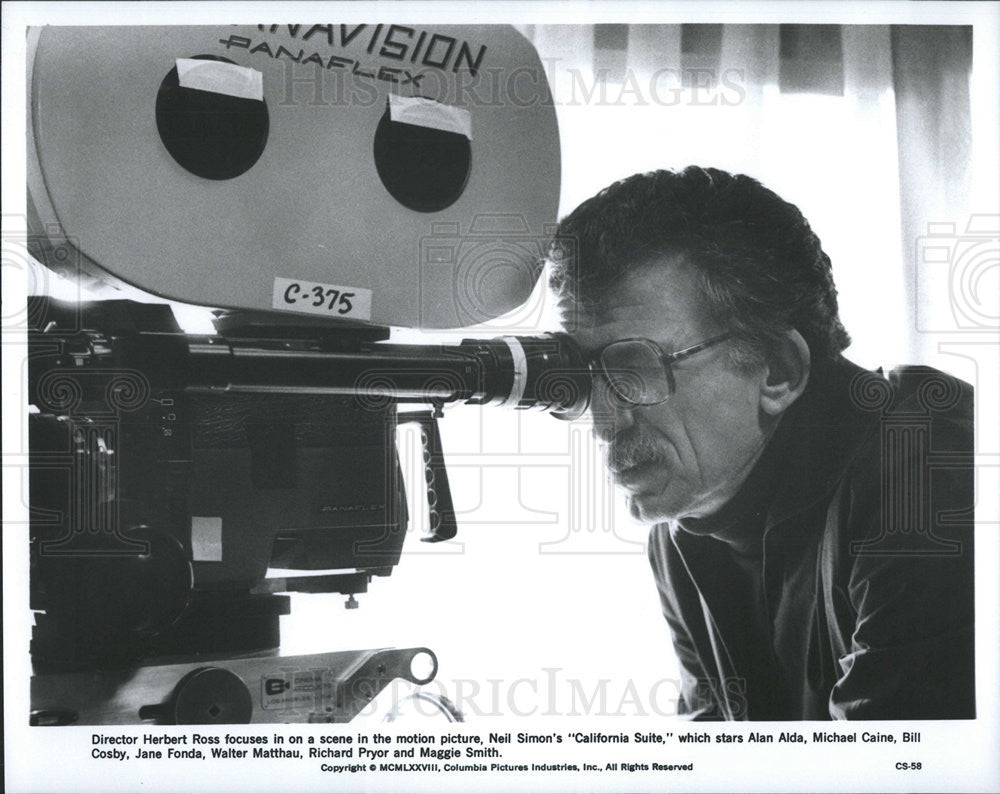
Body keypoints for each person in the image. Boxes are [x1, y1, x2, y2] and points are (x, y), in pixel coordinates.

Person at [549, 166, 975, 720]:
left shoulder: (929, 473)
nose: (603, 424)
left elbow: (898, 772)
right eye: (583, 377)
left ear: (777, 369)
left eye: (637, 370)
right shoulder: (686, 525)